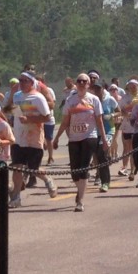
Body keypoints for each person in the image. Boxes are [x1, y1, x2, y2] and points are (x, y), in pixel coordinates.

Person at [53, 73, 108, 212]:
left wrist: (105, 139)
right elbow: (65, 122)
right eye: (79, 81)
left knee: (83, 169)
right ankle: (81, 188)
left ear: (88, 84)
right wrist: (57, 137)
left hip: (90, 137)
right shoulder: (70, 100)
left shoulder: (94, 100)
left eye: (85, 81)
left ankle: (80, 201)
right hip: (74, 138)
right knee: (74, 172)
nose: (82, 83)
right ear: (76, 84)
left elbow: (99, 121)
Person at [9, 71, 58, 206]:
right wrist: (12, 120)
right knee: (17, 168)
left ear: (32, 82)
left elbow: (46, 117)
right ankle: (16, 198)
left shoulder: (38, 98)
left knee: (33, 169)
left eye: (25, 80)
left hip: (34, 138)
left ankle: (47, 179)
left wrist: (29, 119)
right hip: (18, 139)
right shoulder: (17, 96)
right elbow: (15, 111)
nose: (22, 83)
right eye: (20, 80)